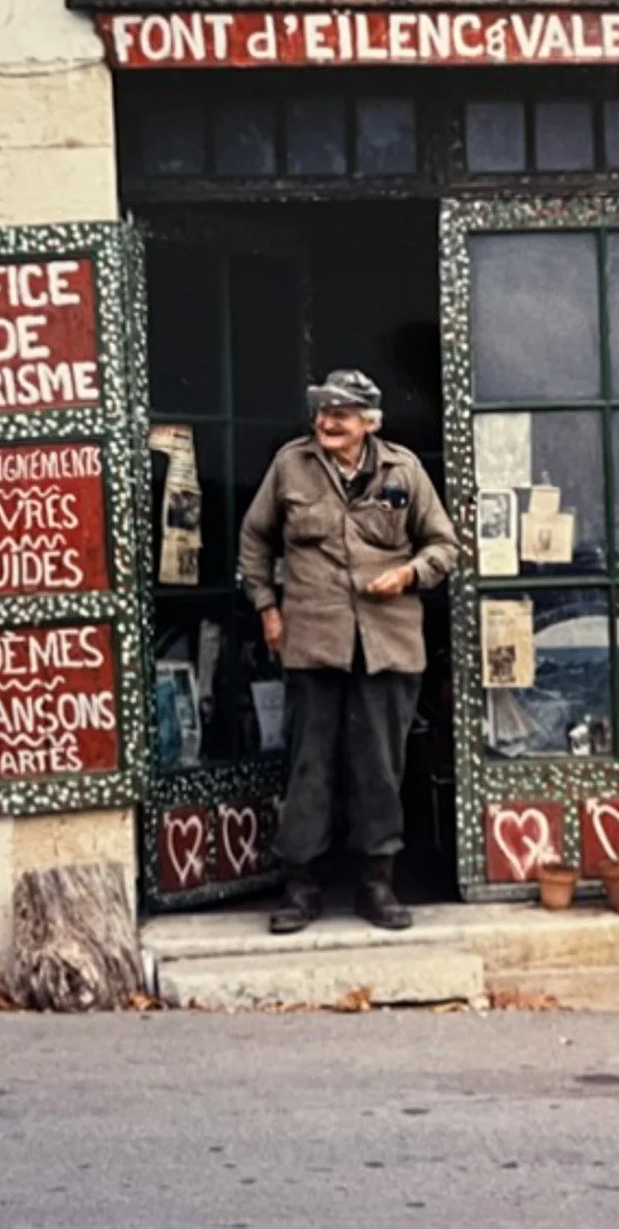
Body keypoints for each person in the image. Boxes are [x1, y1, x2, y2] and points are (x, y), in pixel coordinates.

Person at [238, 369, 459, 934]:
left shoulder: (404, 471)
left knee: (380, 769)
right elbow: (255, 539)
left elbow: (444, 545)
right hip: (313, 641)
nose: (326, 421)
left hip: (387, 646)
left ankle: (376, 883)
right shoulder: (291, 465)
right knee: (310, 766)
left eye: (341, 413)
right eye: (322, 411)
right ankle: (301, 887)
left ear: (370, 422)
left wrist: (408, 573)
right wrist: (268, 608)